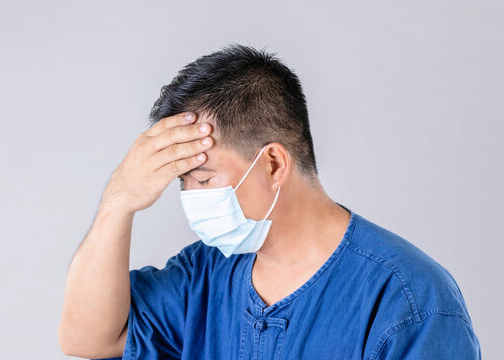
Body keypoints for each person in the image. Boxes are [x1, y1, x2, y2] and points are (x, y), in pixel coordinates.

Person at [58, 44, 481, 359]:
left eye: (203, 179)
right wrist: (119, 202)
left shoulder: (408, 300)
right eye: (182, 184)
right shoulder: (202, 276)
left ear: (274, 163)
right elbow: (88, 339)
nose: (190, 200)